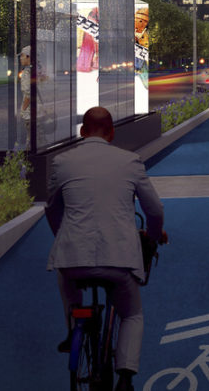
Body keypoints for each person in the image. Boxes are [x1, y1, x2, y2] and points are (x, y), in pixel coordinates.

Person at [46, 106, 167, 391]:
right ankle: (125, 375)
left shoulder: (62, 162)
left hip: (73, 256)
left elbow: (52, 210)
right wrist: (151, 237)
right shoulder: (130, 162)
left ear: (82, 131)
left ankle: (74, 326)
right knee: (132, 314)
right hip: (119, 257)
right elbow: (155, 210)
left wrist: (62, 236)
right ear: (111, 133)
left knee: (67, 281)